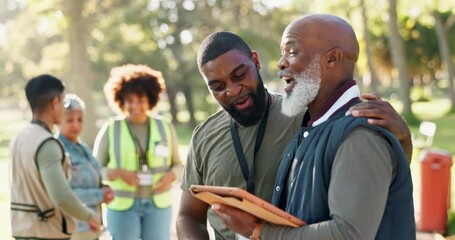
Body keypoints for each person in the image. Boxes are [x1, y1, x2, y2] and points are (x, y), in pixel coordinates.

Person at [176, 31, 413, 239]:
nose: (232, 90)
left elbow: (374, 178)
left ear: (255, 61)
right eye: (217, 86)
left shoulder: (306, 114)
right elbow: (188, 215)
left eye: (239, 75)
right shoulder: (203, 136)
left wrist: (402, 137)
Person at [93, 64, 183, 240]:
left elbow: (179, 166)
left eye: (140, 100)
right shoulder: (111, 128)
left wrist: (170, 176)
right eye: (130, 100)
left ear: (150, 100)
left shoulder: (165, 127)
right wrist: (117, 173)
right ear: (121, 100)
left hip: (158, 205)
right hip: (123, 208)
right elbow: (95, 170)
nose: (135, 105)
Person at [9, 74, 101, 239]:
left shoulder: (19, 137)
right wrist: (89, 216)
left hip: (22, 230)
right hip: (46, 232)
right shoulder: (47, 144)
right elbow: (61, 195)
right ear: (55, 102)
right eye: (64, 101)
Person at [57, 93, 115, 240]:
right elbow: (64, 195)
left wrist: (105, 189)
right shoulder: (58, 150)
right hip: (74, 229)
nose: (76, 125)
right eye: (69, 120)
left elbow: (94, 179)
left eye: (80, 119)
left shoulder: (84, 148)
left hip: (93, 226)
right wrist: (99, 195)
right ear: (58, 120)